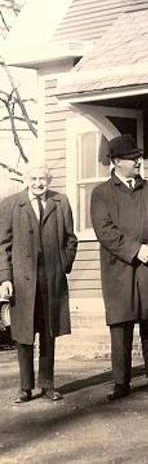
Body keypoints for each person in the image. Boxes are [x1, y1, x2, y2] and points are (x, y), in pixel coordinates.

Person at [90, 134, 148, 400]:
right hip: (119, 269)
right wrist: (135, 250)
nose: (138, 161)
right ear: (116, 162)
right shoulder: (101, 193)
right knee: (121, 326)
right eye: (132, 158)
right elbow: (104, 230)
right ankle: (121, 383)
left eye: (138, 157)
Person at [0, 164, 77, 403]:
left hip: (50, 280)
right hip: (22, 282)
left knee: (48, 332)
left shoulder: (60, 202)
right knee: (23, 334)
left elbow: (70, 239)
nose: (38, 183)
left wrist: (63, 264)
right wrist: (5, 278)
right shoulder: (12, 204)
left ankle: (48, 384)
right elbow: (2, 245)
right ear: (26, 179)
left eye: (42, 179)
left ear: (49, 180)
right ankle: (25, 387)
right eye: (33, 178)